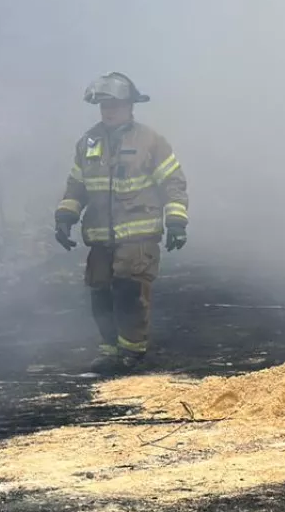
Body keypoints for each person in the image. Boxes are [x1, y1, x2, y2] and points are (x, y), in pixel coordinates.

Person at [54, 72, 189, 374]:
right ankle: (110, 349)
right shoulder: (88, 142)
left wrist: (177, 221)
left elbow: (173, 183)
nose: (109, 111)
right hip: (101, 237)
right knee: (100, 291)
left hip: (138, 236)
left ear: (130, 106)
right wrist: (65, 217)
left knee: (129, 292)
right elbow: (77, 185)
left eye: (115, 105)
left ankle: (132, 352)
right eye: (104, 105)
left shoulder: (150, 141)